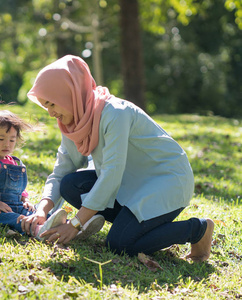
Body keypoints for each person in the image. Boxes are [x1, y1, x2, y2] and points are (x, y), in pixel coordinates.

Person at [18, 55, 214, 262]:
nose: (50, 113)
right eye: (45, 106)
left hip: (165, 181)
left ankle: (197, 229)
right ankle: (124, 223)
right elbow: (61, 170)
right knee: (70, 185)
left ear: (68, 93)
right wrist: (42, 210)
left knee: (120, 245)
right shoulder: (73, 122)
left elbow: (111, 174)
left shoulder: (115, 113)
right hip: (128, 183)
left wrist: (75, 223)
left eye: (52, 104)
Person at [0, 110, 67, 238]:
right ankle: (38, 230)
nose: (7, 144)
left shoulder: (14, 162)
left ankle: (68, 225)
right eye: (1, 139)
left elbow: (17, 187)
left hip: (17, 205)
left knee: (34, 213)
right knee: (15, 219)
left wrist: (25, 199)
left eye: (12, 140)